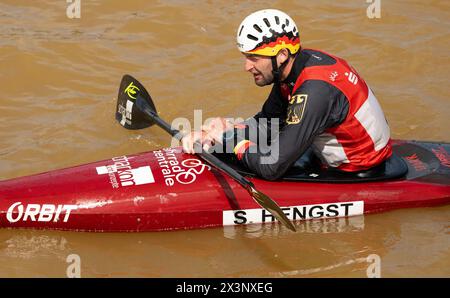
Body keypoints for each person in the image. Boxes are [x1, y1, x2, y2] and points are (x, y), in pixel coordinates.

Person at [182, 9, 392, 180]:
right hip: (328, 145)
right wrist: (217, 133)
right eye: (246, 57)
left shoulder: (314, 92)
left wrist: (231, 141)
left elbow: (272, 167)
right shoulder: (292, 69)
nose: (247, 66)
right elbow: (268, 123)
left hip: (353, 169)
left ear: (281, 55)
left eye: (254, 58)